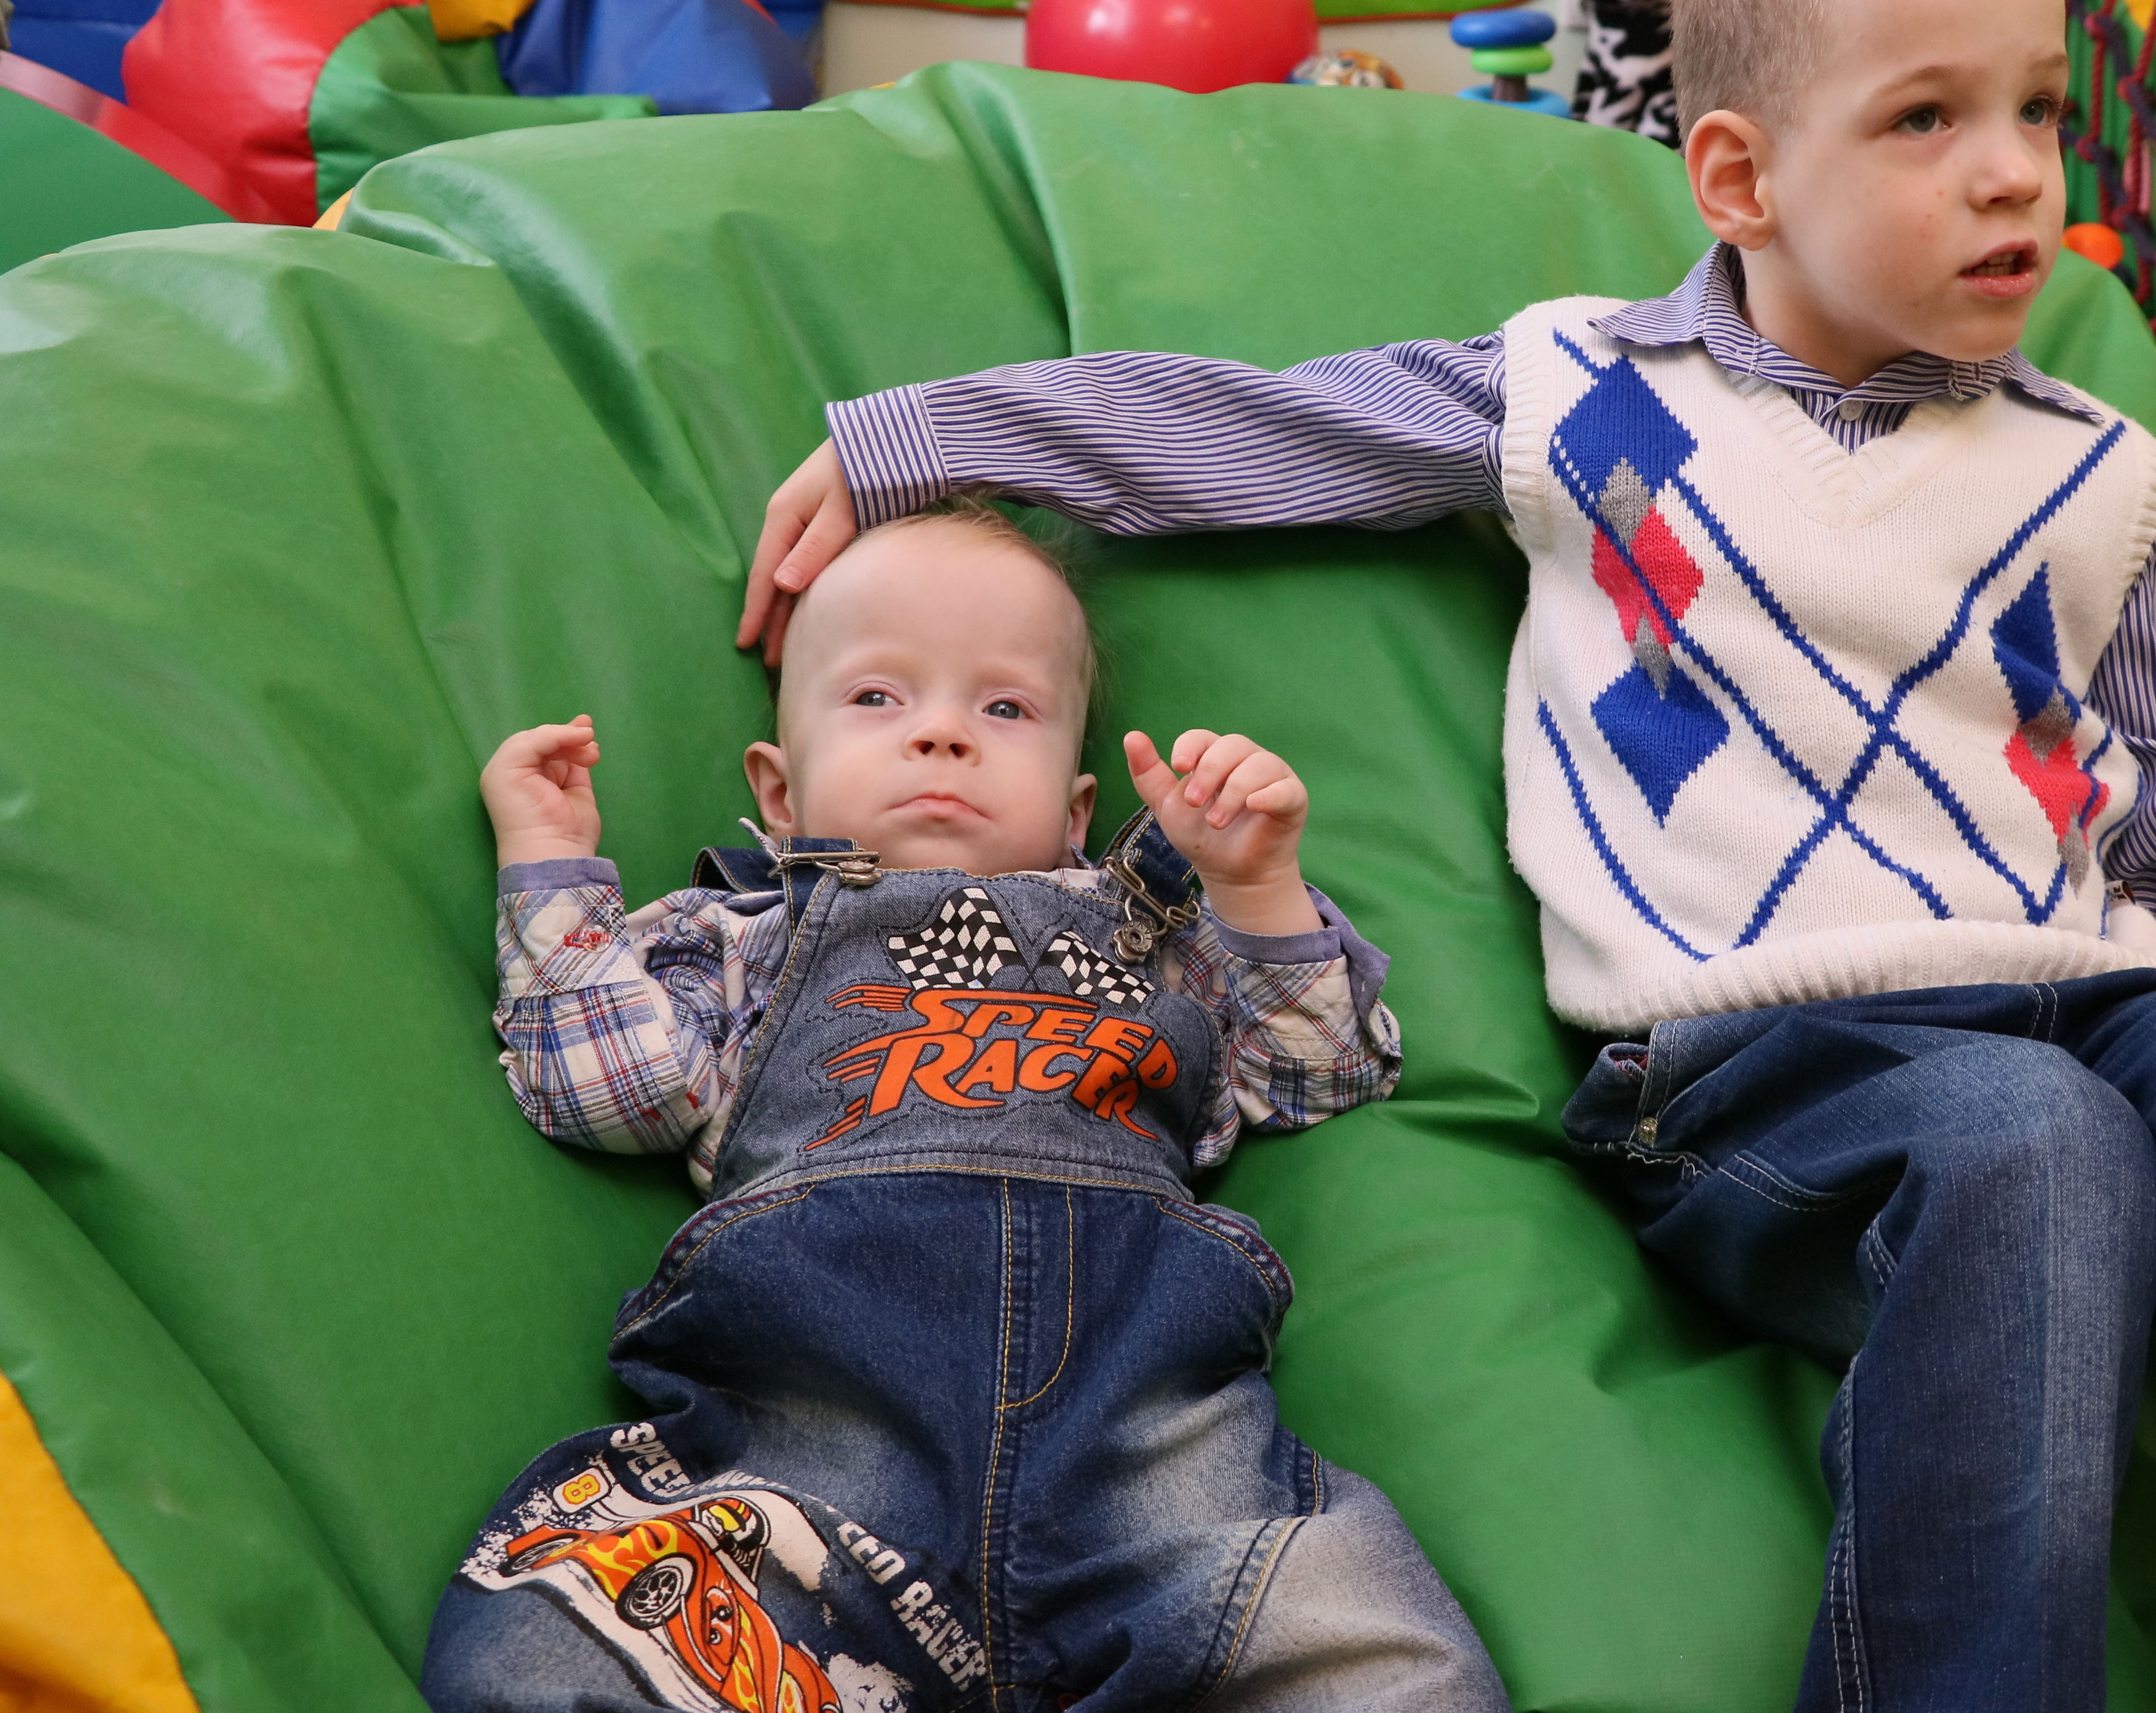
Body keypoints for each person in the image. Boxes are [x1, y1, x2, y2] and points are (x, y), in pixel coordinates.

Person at [732, 0, 2156, 1713]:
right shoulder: (1593, 402)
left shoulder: (2107, 481)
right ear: (1741, 179)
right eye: (1929, 119)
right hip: (1760, 1065)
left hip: (2092, 1002)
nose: (2017, 171)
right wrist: (927, 436)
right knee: (2035, 1141)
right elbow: (1259, 425)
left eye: (2039, 108)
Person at [422, 500, 1505, 1713]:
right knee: (550, 1648)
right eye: (878, 696)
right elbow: (608, 1090)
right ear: (779, 793)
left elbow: (1318, 1073)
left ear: (1078, 811)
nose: (941, 733)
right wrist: (550, 868)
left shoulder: (1161, 939)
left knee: (1383, 1659)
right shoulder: (735, 939)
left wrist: (1255, 885)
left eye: (1005, 708)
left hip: (1153, 1450)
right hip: (815, 1444)